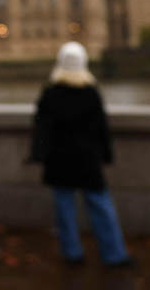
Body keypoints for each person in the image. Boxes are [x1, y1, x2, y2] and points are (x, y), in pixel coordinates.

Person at [29, 41, 132, 267]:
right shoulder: (91, 93)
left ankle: (72, 253)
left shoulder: (50, 93)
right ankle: (114, 254)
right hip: (87, 159)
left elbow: (41, 129)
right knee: (101, 206)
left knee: (64, 209)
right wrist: (106, 155)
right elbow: (101, 129)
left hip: (59, 159)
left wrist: (38, 155)